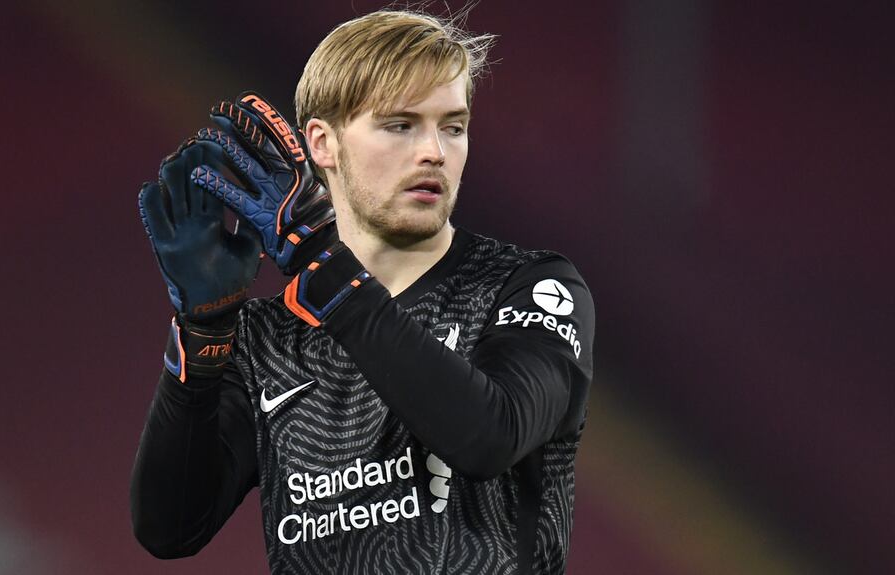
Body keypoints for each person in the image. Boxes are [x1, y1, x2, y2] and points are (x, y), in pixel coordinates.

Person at [131, 9, 594, 575]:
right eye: (400, 125)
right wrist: (200, 338)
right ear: (323, 143)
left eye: (452, 125)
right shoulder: (265, 339)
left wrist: (322, 266)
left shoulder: (528, 286)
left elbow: (487, 438)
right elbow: (169, 528)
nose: (435, 152)